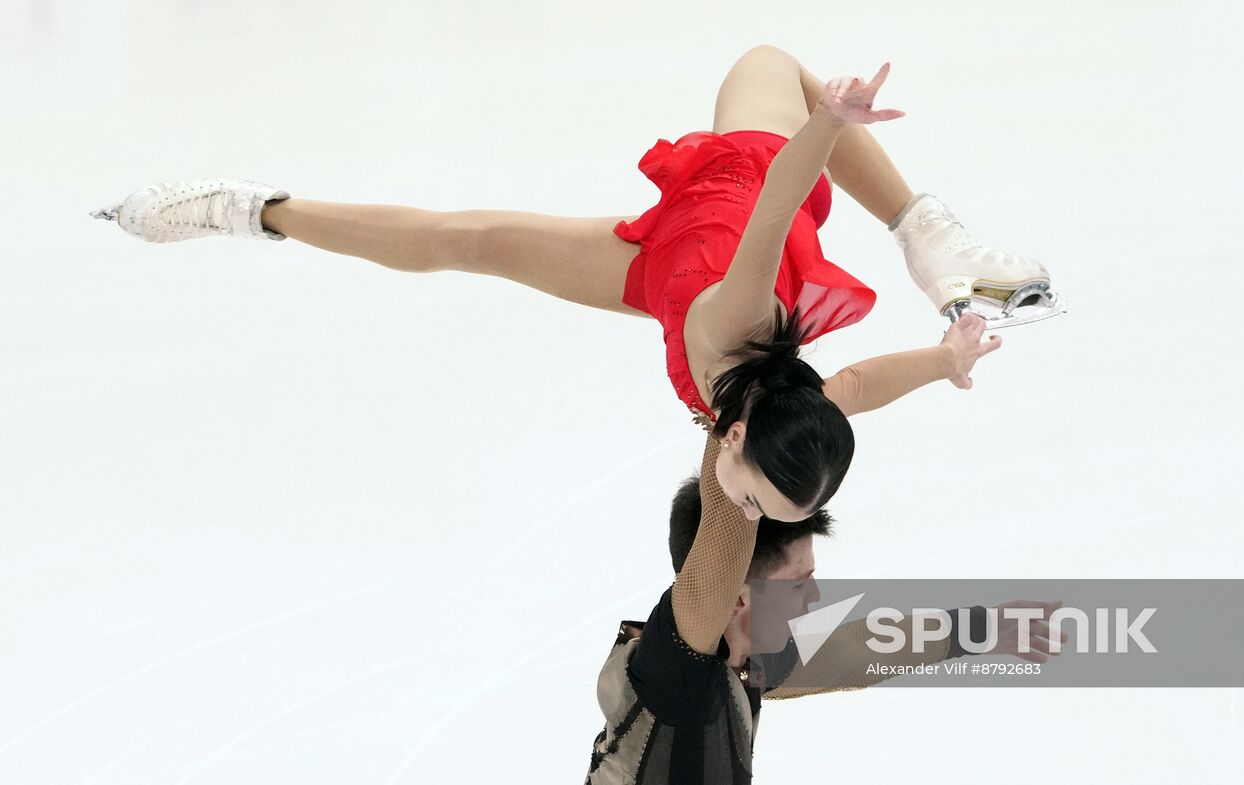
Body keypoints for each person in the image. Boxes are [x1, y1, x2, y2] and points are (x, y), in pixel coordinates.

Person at [92, 46, 1057, 521]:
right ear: (728, 431)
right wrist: (826, 124)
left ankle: (259, 208)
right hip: (735, 196)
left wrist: (944, 360)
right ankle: (242, 205)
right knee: (768, 64)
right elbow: (770, 214)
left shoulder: (782, 412)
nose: (750, 516)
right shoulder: (742, 321)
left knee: (469, 245)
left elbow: (851, 391)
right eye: (761, 501)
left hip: (663, 279)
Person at [585, 427, 1064, 784]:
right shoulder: (676, 671)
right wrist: (735, 397)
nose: (814, 597)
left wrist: (979, 629)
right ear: (733, 596)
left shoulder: (746, 654)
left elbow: (852, 652)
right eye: (799, 583)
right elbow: (722, 522)